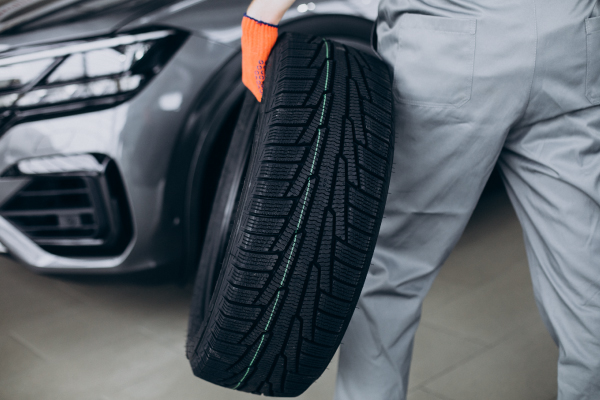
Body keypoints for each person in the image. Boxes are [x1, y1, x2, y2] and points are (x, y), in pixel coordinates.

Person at [241, 0, 600, 398]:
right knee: (587, 279)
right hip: (573, 39)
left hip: (453, 46)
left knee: (389, 273)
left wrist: (262, 15)